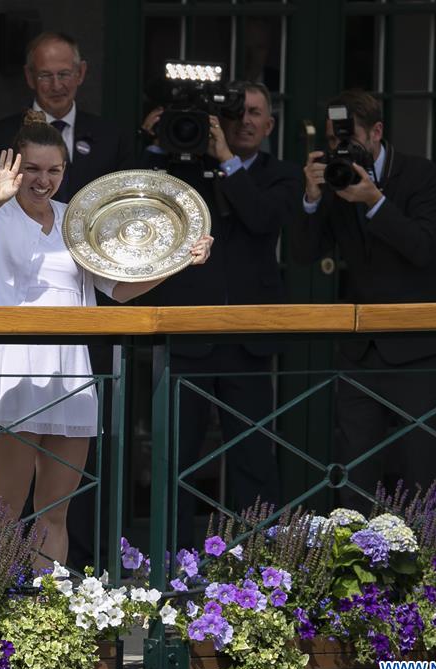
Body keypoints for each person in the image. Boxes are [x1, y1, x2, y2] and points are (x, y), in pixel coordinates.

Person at [0, 112, 213, 566]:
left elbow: (119, 289)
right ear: (14, 169)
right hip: (16, 363)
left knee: (54, 511)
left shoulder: (77, 220)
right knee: (6, 509)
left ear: (65, 171)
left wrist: (180, 258)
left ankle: (47, 616)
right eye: (32, 169)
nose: (42, 180)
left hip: (72, 369)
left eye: (53, 170)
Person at [138, 81, 303, 547]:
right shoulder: (182, 164)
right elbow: (138, 201)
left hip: (248, 338)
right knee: (176, 454)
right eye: (238, 112)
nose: (246, 120)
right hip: (188, 330)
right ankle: (166, 560)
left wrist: (227, 161)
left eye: (255, 113)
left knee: (253, 455)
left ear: (269, 125)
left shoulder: (281, 174)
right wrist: (154, 140)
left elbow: (261, 218)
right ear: (220, 120)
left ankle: (260, 559)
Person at [291, 89, 436, 508]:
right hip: (361, 349)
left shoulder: (420, 175)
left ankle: (435, 564)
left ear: (377, 132)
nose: (339, 149)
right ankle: (355, 564)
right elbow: (304, 255)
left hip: (419, 347)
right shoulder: (335, 179)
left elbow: (423, 248)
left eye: (348, 139)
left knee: (423, 465)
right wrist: (311, 199)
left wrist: (375, 201)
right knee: (355, 467)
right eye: (332, 141)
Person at [0, 31, 132, 203]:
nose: (56, 86)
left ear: (80, 72)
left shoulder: (112, 138)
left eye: (64, 74)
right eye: (45, 75)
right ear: (30, 77)